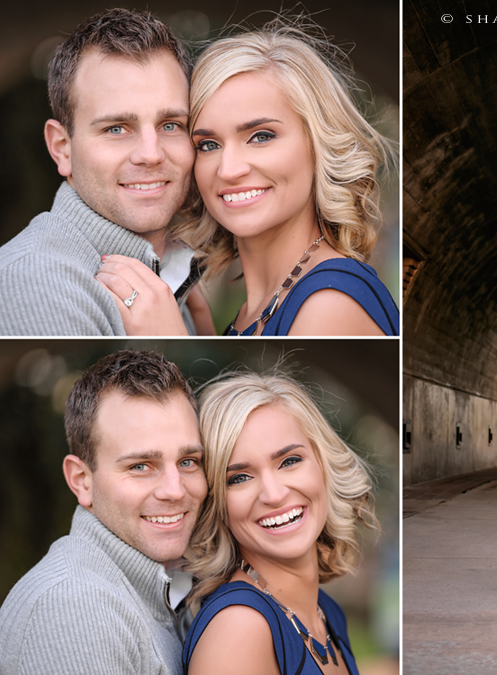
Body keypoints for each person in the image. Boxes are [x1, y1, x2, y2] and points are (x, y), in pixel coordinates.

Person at [101, 18, 399, 337]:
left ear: (317, 145)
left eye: (261, 136)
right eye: (208, 144)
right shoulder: (256, 308)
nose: (228, 170)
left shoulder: (330, 303)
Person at [0, 9, 212, 336]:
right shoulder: (36, 285)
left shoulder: (170, 273)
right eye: (116, 128)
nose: (151, 154)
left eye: (170, 125)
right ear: (62, 148)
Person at [0, 350, 207, 674]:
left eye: (188, 462)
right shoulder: (74, 608)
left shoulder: (157, 593)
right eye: (140, 466)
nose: (175, 490)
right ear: (81, 480)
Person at [182, 371, 377, 674]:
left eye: (289, 461)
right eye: (240, 478)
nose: (274, 495)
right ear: (217, 503)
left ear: (323, 464)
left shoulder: (327, 613)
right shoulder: (238, 628)